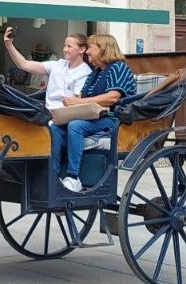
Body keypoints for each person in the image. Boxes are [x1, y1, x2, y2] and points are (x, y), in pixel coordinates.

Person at [49, 33, 137, 193]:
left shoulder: (118, 67)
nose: (87, 52)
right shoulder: (95, 73)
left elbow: (113, 97)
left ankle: (73, 177)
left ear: (103, 49)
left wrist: (79, 102)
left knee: (76, 126)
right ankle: (53, 176)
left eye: (90, 47)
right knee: (55, 128)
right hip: (93, 118)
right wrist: (71, 101)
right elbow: (82, 97)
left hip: (114, 120)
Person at [2, 28, 90, 109]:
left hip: (63, 117)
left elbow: (76, 103)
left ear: (82, 49)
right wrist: (9, 45)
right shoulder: (57, 65)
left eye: (69, 46)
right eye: (65, 46)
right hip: (47, 113)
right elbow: (24, 64)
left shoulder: (85, 72)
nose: (65, 49)